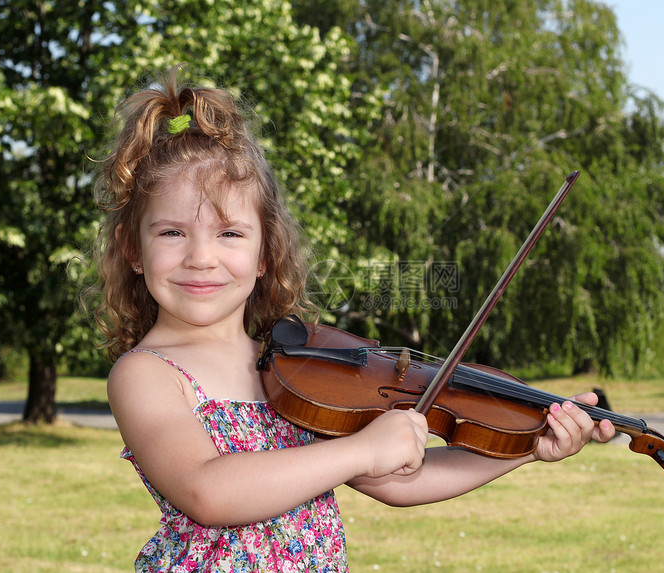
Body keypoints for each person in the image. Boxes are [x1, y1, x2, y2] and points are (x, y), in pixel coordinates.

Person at [93, 65, 616, 572]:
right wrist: (363, 449)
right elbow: (208, 490)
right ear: (132, 250)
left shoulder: (296, 372)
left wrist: (525, 450)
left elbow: (398, 480)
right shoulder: (147, 374)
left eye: (229, 233)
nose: (201, 257)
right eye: (171, 233)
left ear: (265, 254)